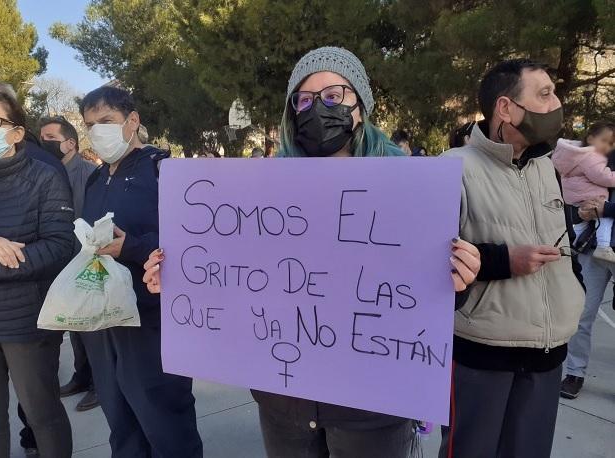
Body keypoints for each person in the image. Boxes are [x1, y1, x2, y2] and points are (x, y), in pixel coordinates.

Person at [143, 46, 480, 458]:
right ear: (292, 113)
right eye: (304, 99)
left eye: (334, 96)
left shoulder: (416, 190)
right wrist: (179, 282)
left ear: (361, 106)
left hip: (371, 405)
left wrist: (460, 278)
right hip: (284, 400)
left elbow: (431, 300)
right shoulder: (259, 194)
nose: (318, 108)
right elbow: (239, 279)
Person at [438, 59, 585, 458]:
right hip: (481, 356)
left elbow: (566, 244)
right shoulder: (452, 170)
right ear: (505, 108)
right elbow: (430, 264)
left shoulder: (546, 168)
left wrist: (574, 289)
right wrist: (504, 261)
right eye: (544, 94)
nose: (556, 102)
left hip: (549, 355)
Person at [78, 86, 202, 457]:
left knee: (165, 423)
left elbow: (195, 245)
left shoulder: (163, 171)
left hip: (154, 320)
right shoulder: (95, 179)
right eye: (89, 125)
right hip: (105, 320)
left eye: (107, 121)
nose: (97, 131)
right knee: (122, 424)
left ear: (132, 121)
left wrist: (130, 245)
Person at [0, 87, 74, 457]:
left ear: (16, 131)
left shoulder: (44, 177)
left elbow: (58, 247)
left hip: (26, 322)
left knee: (42, 415)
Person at [40, 115, 101, 412]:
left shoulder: (90, 175)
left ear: (70, 143)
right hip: (60, 263)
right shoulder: (46, 173)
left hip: (86, 262)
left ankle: (99, 384)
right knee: (74, 328)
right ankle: (82, 375)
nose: (44, 143)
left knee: (91, 329)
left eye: (50, 138)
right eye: (42, 138)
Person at [561, 146, 615, 399]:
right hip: (592, 249)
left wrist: (608, 210)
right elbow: (571, 198)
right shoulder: (598, 155)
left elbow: (606, 207)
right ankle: (575, 372)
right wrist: (580, 212)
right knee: (581, 314)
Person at [552, 122, 615, 262]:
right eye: (604, 141)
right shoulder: (592, 156)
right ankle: (603, 247)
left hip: (576, 197)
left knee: (582, 224)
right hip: (590, 197)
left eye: (611, 143)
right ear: (590, 138)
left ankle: (570, 245)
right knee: (604, 218)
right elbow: (602, 176)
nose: (608, 146)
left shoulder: (575, 155)